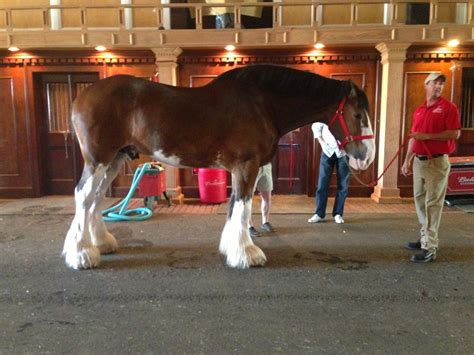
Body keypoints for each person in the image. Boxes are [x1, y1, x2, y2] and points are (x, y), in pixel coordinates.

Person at [401, 72, 461, 263]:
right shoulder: (419, 110)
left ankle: (430, 247)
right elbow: (414, 137)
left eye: (441, 84)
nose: (438, 86)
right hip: (419, 161)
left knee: (433, 203)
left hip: (437, 162)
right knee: (419, 200)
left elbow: (455, 133)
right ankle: (425, 237)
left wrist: (426, 136)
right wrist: (407, 160)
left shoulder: (448, 108)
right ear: (426, 85)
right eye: (434, 83)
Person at [308, 122, 351, 224]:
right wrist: (322, 143)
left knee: (343, 186)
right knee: (322, 184)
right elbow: (315, 126)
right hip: (327, 151)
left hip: (344, 153)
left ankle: (338, 214)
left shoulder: (349, 112)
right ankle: (319, 214)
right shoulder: (327, 110)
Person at [249, 162, 275, 237]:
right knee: (248, 199)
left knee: (267, 197)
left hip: (266, 165)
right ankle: (249, 226)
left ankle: (265, 222)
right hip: (251, 166)